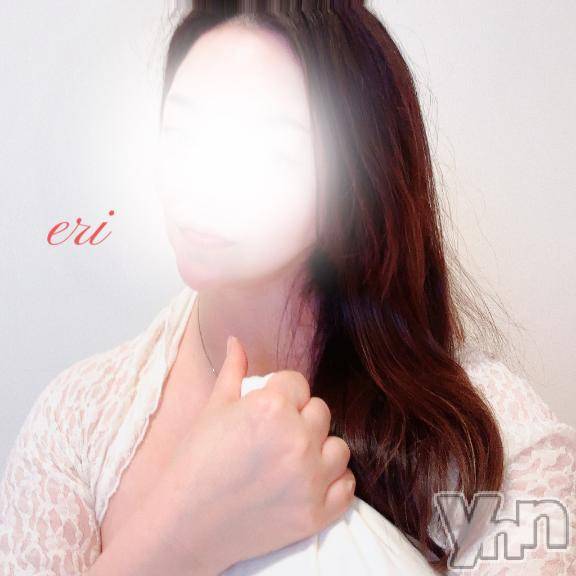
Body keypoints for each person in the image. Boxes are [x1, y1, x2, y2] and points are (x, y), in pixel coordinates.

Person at [1, 3, 574, 575]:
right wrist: (182, 531)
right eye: (183, 132)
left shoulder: (496, 440)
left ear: (357, 178)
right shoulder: (75, 422)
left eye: (266, 149)